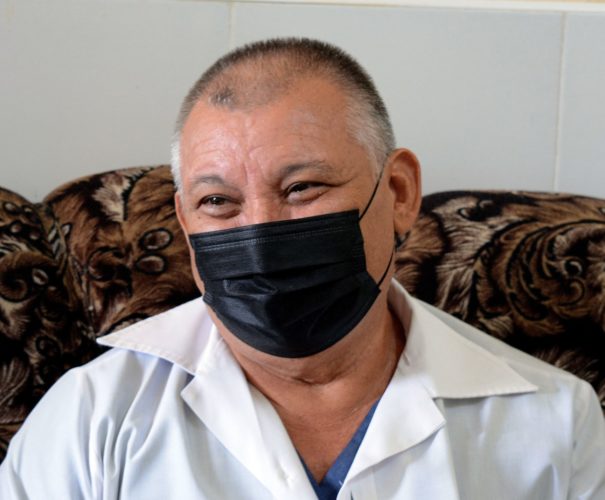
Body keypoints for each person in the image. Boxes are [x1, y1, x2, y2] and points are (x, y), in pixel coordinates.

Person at [1, 38, 604, 500]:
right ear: (184, 221)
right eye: (218, 201)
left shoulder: (556, 424)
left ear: (398, 193)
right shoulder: (91, 417)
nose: (261, 234)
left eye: (302, 188)